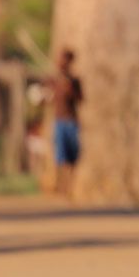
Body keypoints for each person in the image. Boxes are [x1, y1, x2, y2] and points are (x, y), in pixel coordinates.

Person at [50, 50, 84, 196]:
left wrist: (71, 90)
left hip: (72, 122)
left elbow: (81, 99)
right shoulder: (54, 81)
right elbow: (47, 99)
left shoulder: (74, 81)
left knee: (72, 157)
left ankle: (71, 187)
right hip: (59, 122)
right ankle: (60, 186)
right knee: (60, 155)